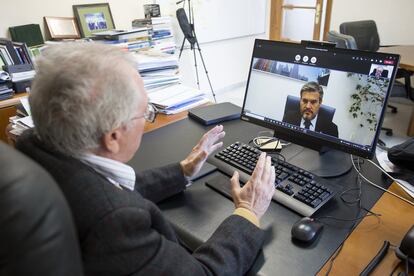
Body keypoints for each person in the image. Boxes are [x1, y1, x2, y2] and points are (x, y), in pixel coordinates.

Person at [16, 43, 276, 276]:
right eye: (145, 112)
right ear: (114, 136)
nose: (147, 117)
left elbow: (98, 186)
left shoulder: (32, 143)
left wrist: (182, 171)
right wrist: (248, 212)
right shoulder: (116, 223)